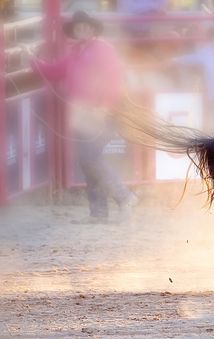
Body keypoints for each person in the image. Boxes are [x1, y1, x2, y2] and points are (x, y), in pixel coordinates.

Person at [27, 11, 137, 224]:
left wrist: (104, 106)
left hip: (100, 112)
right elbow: (54, 71)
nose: (82, 30)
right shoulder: (75, 52)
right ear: (75, 31)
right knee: (87, 160)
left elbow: (114, 80)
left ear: (93, 29)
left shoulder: (103, 50)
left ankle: (124, 196)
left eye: (86, 27)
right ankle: (99, 211)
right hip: (82, 113)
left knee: (90, 158)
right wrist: (33, 61)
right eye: (79, 28)